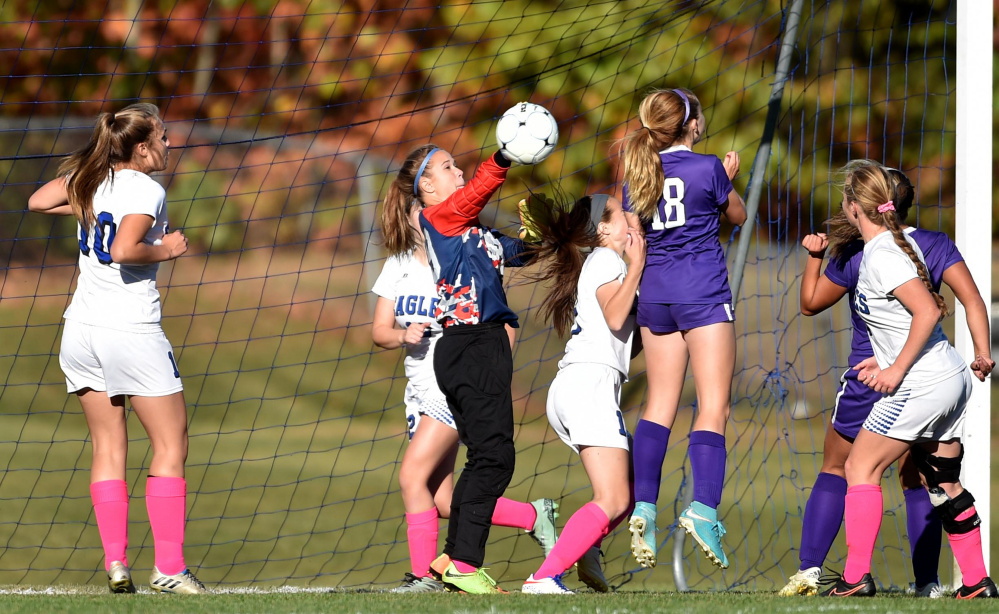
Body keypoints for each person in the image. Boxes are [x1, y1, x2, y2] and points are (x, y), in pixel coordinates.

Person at [781, 162, 994, 597]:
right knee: (943, 479)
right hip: (949, 377)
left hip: (922, 382)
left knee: (860, 466)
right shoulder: (889, 249)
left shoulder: (879, 255)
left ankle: (856, 576)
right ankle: (975, 582)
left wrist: (895, 370)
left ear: (853, 206)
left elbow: (928, 311)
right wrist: (891, 362)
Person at [27, 103, 207, 594]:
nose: (170, 145)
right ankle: (169, 569)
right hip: (130, 330)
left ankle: (116, 563)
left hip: (80, 330)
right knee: (171, 445)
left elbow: (37, 201)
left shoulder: (95, 179)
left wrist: (88, 198)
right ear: (143, 148)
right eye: (164, 138)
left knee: (108, 446)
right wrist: (167, 249)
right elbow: (127, 250)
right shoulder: (147, 187)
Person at [370, 156, 558, 593]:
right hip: (464, 350)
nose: (460, 172)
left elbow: (522, 252)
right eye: (449, 167)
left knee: (453, 483)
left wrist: (545, 232)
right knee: (483, 461)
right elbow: (476, 193)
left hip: (473, 351)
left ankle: (446, 568)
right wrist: (503, 158)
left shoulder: (478, 232)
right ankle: (457, 565)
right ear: (427, 188)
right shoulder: (442, 217)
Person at [620, 88, 747, 569]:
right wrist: (728, 180)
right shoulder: (708, 166)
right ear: (691, 123)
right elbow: (737, 215)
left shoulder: (638, 172)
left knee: (658, 404)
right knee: (714, 404)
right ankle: (703, 510)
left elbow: (636, 238)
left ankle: (646, 505)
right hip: (702, 292)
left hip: (656, 295)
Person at [515, 193, 645, 594]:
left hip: (580, 385)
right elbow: (615, 315)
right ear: (604, 229)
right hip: (587, 385)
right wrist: (638, 265)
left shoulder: (602, 265)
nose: (632, 219)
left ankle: (587, 548)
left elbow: (624, 337)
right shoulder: (607, 260)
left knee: (630, 489)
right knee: (612, 496)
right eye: (624, 214)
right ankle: (543, 578)